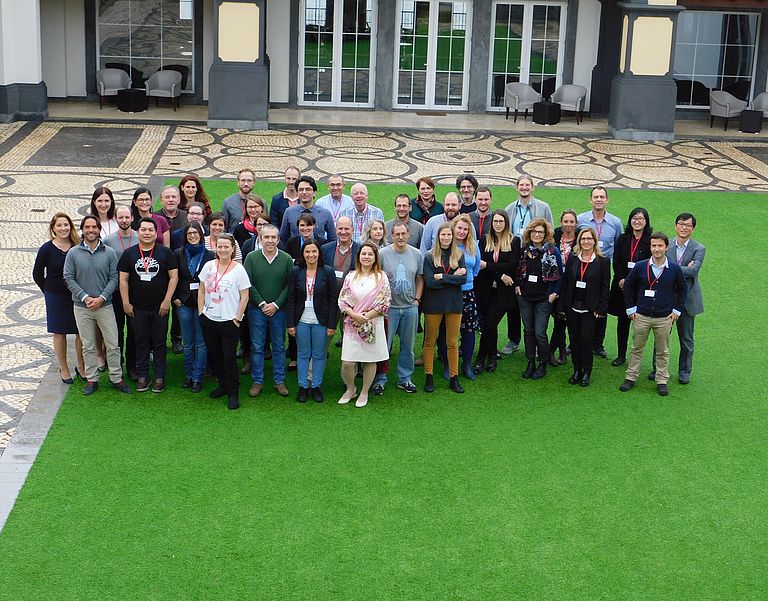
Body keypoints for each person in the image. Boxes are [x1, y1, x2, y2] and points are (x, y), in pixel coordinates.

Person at [63, 215, 129, 395]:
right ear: (82, 229)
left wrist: (101, 298)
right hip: (81, 307)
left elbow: (114, 278)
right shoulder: (73, 253)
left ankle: (116, 378)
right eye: (87, 227)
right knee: (88, 345)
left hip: (105, 305)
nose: (91, 230)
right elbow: (68, 277)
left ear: (99, 229)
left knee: (113, 343)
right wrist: (85, 297)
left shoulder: (109, 252)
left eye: (94, 227)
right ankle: (92, 380)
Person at [619, 231, 687, 396]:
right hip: (641, 316)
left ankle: (661, 380)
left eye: (660, 246)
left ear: (666, 247)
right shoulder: (640, 266)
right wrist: (630, 308)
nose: (657, 249)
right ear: (650, 247)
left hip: (664, 318)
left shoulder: (674, 269)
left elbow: (683, 289)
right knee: (636, 348)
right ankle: (630, 377)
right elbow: (628, 286)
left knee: (663, 351)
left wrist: (677, 310)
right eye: (654, 245)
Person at [118, 217, 178, 393]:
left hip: (160, 307)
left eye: (151, 230)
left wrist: (167, 300)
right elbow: (123, 279)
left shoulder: (165, 253)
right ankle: (143, 375)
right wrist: (126, 302)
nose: (147, 233)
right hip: (137, 308)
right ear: (138, 232)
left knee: (159, 342)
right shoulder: (129, 254)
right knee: (140, 341)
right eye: (143, 230)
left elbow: (174, 277)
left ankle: (159, 376)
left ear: (156, 233)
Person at [198, 233, 251, 410]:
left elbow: (245, 296)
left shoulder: (239, 270)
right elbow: (201, 290)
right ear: (215, 248)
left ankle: (233, 393)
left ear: (232, 248)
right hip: (209, 319)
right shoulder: (208, 266)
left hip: (229, 321)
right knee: (215, 355)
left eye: (226, 247)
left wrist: (237, 318)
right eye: (219, 246)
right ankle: (222, 385)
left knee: (229, 358)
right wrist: (201, 313)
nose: (222, 250)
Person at [502, 176, 553, 356]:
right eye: (521, 185)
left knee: (537, 295)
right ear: (516, 187)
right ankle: (514, 339)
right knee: (515, 301)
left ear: (533, 187)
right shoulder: (509, 209)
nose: (524, 188)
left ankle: (538, 343)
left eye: (527, 185)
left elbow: (549, 232)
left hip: (537, 257)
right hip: (516, 257)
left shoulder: (543, 207)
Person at [338, 242, 391, 408]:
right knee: (347, 363)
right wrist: (355, 315)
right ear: (358, 257)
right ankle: (351, 388)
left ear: (375, 258)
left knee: (370, 360)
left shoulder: (381, 277)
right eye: (364, 254)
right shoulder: (350, 276)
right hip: (352, 325)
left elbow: (385, 302)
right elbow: (343, 300)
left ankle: (364, 391)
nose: (366, 257)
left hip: (373, 325)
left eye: (370, 254)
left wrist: (366, 317)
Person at [33, 212, 85, 383]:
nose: (63, 228)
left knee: (80, 331)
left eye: (66, 224)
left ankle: (81, 366)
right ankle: (64, 368)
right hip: (55, 296)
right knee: (59, 332)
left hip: (76, 294)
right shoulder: (46, 249)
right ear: (53, 229)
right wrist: (48, 291)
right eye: (59, 225)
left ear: (71, 227)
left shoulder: (78, 246)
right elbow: (37, 273)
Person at [373, 221, 424, 394]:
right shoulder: (382, 254)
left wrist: (417, 300)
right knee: (384, 346)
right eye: (397, 234)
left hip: (410, 307)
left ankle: (405, 378)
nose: (401, 237)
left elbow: (420, 278)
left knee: (407, 346)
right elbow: (377, 278)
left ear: (409, 235)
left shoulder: (417, 254)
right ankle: (379, 379)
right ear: (391, 236)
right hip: (389, 309)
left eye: (403, 234)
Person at [243, 224, 293, 398]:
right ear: (260, 238)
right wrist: (262, 304)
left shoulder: (286, 259)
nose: (270, 240)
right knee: (257, 346)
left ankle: (279, 381)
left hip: (279, 311)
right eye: (266, 237)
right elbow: (248, 283)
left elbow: (289, 285)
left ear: (278, 240)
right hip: (257, 310)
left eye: (273, 237)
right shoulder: (251, 257)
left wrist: (276, 305)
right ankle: (258, 381)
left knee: (279, 346)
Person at [557, 227, 610, 387]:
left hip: (590, 309)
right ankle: (577, 370)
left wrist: (601, 309)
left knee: (586, 340)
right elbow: (566, 282)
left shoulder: (603, 261)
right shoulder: (573, 258)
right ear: (579, 241)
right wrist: (562, 306)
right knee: (574, 340)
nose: (586, 241)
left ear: (594, 241)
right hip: (572, 307)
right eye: (583, 239)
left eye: (589, 238)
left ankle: (587, 371)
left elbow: (605, 287)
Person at [286, 240, 338, 403]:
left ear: (319, 253)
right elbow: (291, 298)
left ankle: (316, 386)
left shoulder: (327, 271)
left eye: (314, 251)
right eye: (307, 251)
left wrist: (331, 324)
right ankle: (303, 386)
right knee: (302, 354)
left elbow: (333, 300)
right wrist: (290, 323)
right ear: (303, 254)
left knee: (319, 354)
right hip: (301, 320)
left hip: (321, 321)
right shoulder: (296, 271)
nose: (311, 255)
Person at [577, 185, 623, 358]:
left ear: (607, 200)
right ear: (590, 200)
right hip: (583, 266)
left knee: (602, 302)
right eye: (595, 197)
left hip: (603, 269)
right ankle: (574, 342)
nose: (598, 200)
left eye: (602, 197)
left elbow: (619, 246)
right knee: (580, 301)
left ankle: (598, 343)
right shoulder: (581, 219)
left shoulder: (615, 223)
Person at [422, 222, 467, 394]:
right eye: (443, 235)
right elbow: (430, 282)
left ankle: (454, 378)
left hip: (454, 304)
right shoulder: (429, 256)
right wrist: (452, 277)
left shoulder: (459, 254)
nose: (446, 238)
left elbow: (463, 280)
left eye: (449, 234)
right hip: (433, 304)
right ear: (438, 237)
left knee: (453, 342)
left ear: (453, 236)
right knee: (430, 341)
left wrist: (441, 276)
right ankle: (429, 376)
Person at [516, 218, 563, 380]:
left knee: (540, 333)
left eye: (540, 232)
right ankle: (530, 362)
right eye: (534, 231)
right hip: (525, 297)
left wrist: (554, 294)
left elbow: (560, 276)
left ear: (546, 234)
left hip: (544, 298)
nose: (537, 235)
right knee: (528, 331)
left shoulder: (552, 251)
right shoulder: (523, 250)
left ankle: (543, 362)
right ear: (529, 233)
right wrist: (517, 285)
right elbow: (517, 270)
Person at [474, 210, 520, 374]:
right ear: (491, 223)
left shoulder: (514, 241)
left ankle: (481, 357)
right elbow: (479, 265)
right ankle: (492, 355)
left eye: (501, 221)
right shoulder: (484, 240)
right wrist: (500, 274)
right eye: (495, 221)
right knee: (489, 325)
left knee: (489, 323)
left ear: (506, 223)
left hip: (503, 293)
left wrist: (488, 266)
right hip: (484, 290)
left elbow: (511, 266)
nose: (498, 224)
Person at [173, 223, 214, 393]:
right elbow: (173, 277)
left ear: (201, 235)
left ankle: (198, 377)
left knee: (201, 343)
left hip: (203, 303)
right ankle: (189, 375)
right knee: (188, 342)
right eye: (189, 233)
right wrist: (175, 298)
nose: (192, 236)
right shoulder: (178, 253)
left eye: (195, 233)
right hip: (183, 302)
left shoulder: (210, 255)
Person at [608, 208, 652, 367]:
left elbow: (649, 264)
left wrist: (632, 282)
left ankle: (636, 356)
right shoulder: (623, 239)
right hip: (621, 286)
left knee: (640, 324)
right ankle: (621, 355)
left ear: (646, 221)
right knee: (622, 321)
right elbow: (617, 260)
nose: (637, 221)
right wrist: (622, 279)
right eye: (634, 218)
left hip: (641, 288)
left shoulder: (650, 241)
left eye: (641, 218)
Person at [665, 213, 705, 385]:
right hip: (667, 298)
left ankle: (684, 371)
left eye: (688, 225)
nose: (684, 227)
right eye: (681, 224)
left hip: (687, 301)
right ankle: (658, 369)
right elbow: (661, 266)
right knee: (662, 336)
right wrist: (683, 268)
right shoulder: (667, 244)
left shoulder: (699, 248)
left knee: (686, 339)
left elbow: (693, 271)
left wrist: (672, 268)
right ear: (675, 226)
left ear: (692, 228)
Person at [103, 204, 139, 379]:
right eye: (121, 217)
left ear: (132, 218)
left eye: (127, 217)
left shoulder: (140, 237)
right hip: (115, 292)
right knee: (116, 330)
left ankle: (132, 366)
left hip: (136, 292)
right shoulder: (108, 241)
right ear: (116, 219)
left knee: (134, 330)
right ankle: (117, 364)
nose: (124, 220)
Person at [452, 214, 482, 381]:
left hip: (468, 292)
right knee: (448, 329)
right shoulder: (447, 244)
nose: (462, 231)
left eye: (465, 229)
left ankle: (467, 364)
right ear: (453, 228)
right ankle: (450, 364)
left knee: (469, 329)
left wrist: (467, 280)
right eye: (459, 228)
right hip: (449, 293)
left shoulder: (473, 246)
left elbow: (476, 268)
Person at [548, 209, 579, 366]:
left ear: (576, 223)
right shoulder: (554, 237)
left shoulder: (580, 239)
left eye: (571, 221)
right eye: (566, 221)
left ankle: (550, 352)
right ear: (561, 222)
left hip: (572, 285)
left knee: (562, 319)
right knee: (558, 318)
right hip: (555, 282)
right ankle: (561, 351)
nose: (568, 224)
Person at [280, 175, 336, 244]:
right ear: (297, 193)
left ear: (314, 193)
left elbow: (333, 239)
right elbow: (283, 238)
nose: (304, 192)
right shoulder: (289, 212)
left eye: (308, 189)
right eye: (301, 190)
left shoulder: (325, 213)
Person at [222, 168, 256, 232]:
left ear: (254, 183)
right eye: (243, 180)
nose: (246, 184)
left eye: (249, 180)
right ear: (238, 182)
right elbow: (224, 227)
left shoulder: (261, 203)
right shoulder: (228, 202)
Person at [269, 166, 301, 230]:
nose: (291, 182)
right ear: (285, 179)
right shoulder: (276, 200)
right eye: (288, 178)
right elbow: (274, 223)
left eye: (294, 179)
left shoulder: (304, 198)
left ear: (299, 180)